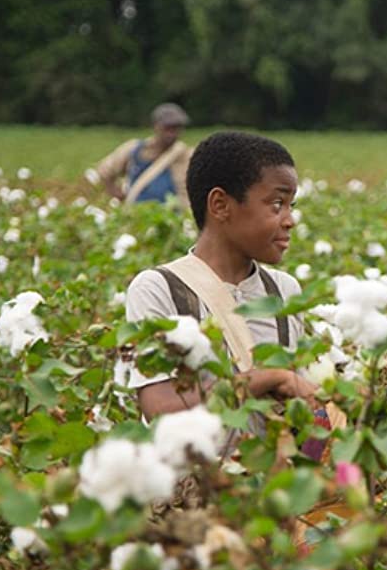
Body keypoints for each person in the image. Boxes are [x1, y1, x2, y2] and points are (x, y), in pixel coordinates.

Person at [124, 131, 318, 420]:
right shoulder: (159, 288)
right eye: (277, 204)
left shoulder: (284, 290)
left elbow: (304, 412)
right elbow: (159, 407)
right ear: (220, 205)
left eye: (292, 206)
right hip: (197, 466)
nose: (289, 221)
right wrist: (271, 378)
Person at [95, 102, 194, 208]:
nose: (172, 133)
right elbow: (104, 171)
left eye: (176, 128)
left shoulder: (185, 155)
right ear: (155, 126)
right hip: (136, 216)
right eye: (167, 128)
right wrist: (115, 192)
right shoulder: (133, 149)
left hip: (174, 218)